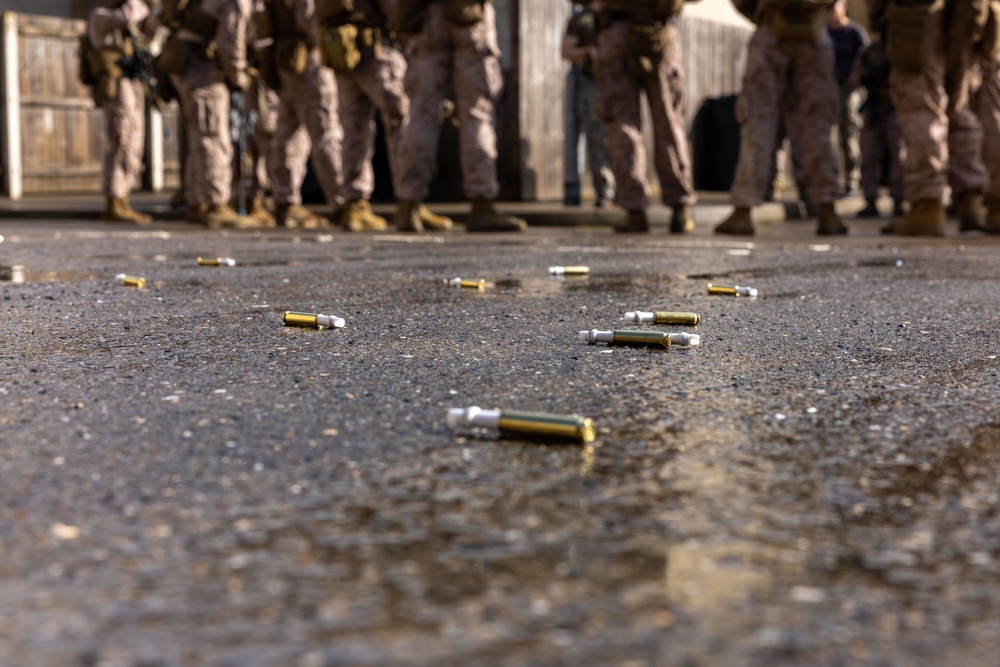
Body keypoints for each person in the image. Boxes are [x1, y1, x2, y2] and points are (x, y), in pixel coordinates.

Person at [315, 0, 453, 232]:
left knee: (354, 129)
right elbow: (395, 11)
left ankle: (355, 204)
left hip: (342, 49)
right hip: (376, 50)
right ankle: (409, 200)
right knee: (402, 121)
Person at [715, 0, 847, 236]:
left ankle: (744, 209)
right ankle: (827, 209)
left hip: (772, 29)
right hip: (814, 29)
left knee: (758, 120)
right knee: (816, 124)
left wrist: (765, 15)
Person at [392, 0, 526, 233]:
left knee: (421, 114)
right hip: (469, 16)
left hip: (425, 19)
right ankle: (481, 203)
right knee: (476, 114)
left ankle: (408, 203)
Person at [870, 0, 992, 235]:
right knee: (960, 110)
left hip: (918, 19)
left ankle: (928, 205)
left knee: (922, 109)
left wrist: (878, 16)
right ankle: (971, 202)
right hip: (967, 16)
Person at [595, 0, 696, 233]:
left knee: (623, 123)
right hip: (659, 29)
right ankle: (680, 208)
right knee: (669, 121)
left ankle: (634, 209)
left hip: (619, 29)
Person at [163, 0, 265, 228]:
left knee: (199, 138)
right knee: (213, 138)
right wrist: (240, 76)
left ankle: (198, 202)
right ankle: (215, 204)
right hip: (203, 70)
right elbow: (230, 42)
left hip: (188, 65)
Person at [257, 0, 349, 229]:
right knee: (326, 133)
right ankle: (343, 204)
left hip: (286, 57)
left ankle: (285, 200)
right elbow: (310, 20)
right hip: (309, 58)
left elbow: (262, 24)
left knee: (288, 132)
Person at [86, 0, 158, 224]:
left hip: (133, 83)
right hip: (115, 84)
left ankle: (123, 198)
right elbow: (129, 15)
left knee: (134, 143)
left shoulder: (131, 26)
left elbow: (152, 45)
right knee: (122, 140)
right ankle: (114, 200)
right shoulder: (100, 15)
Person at [562, 0, 615, 209]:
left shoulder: (618, 14)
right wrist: (588, 53)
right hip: (592, 82)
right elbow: (566, 50)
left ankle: (624, 191)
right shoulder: (582, 18)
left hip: (620, 81)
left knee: (621, 135)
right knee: (596, 136)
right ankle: (606, 191)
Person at [852, 39, 905, 218]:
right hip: (874, 110)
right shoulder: (869, 52)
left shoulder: (900, 49)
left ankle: (899, 200)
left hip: (894, 108)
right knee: (869, 156)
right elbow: (855, 78)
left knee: (898, 156)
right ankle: (870, 200)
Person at [826, 0, 869, 195]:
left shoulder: (854, 33)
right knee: (826, 137)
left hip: (849, 90)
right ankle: (829, 181)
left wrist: (856, 78)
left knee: (849, 136)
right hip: (827, 89)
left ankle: (852, 180)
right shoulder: (823, 33)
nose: (830, 12)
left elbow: (867, 58)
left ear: (843, 6)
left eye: (833, 6)